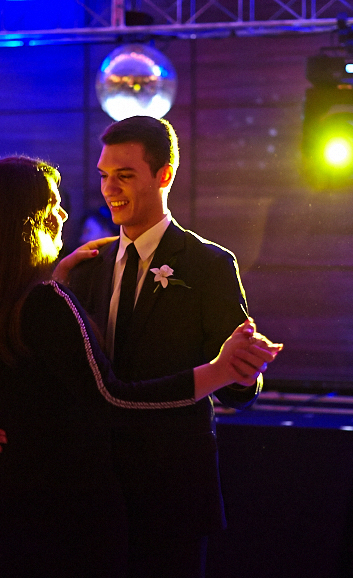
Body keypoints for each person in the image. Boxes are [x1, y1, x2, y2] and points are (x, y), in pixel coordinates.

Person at [0, 156, 277, 578]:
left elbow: (3, 383)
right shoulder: (48, 301)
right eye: (53, 202)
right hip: (66, 512)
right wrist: (218, 371)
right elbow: (110, 399)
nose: (65, 212)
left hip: (5, 501)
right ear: (28, 220)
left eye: (122, 175)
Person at [67, 115, 269, 576]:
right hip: (95, 490)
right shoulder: (85, 266)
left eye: (124, 175)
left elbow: (238, 388)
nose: (109, 189)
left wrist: (242, 370)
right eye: (103, 175)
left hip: (171, 491)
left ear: (165, 175)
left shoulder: (209, 265)